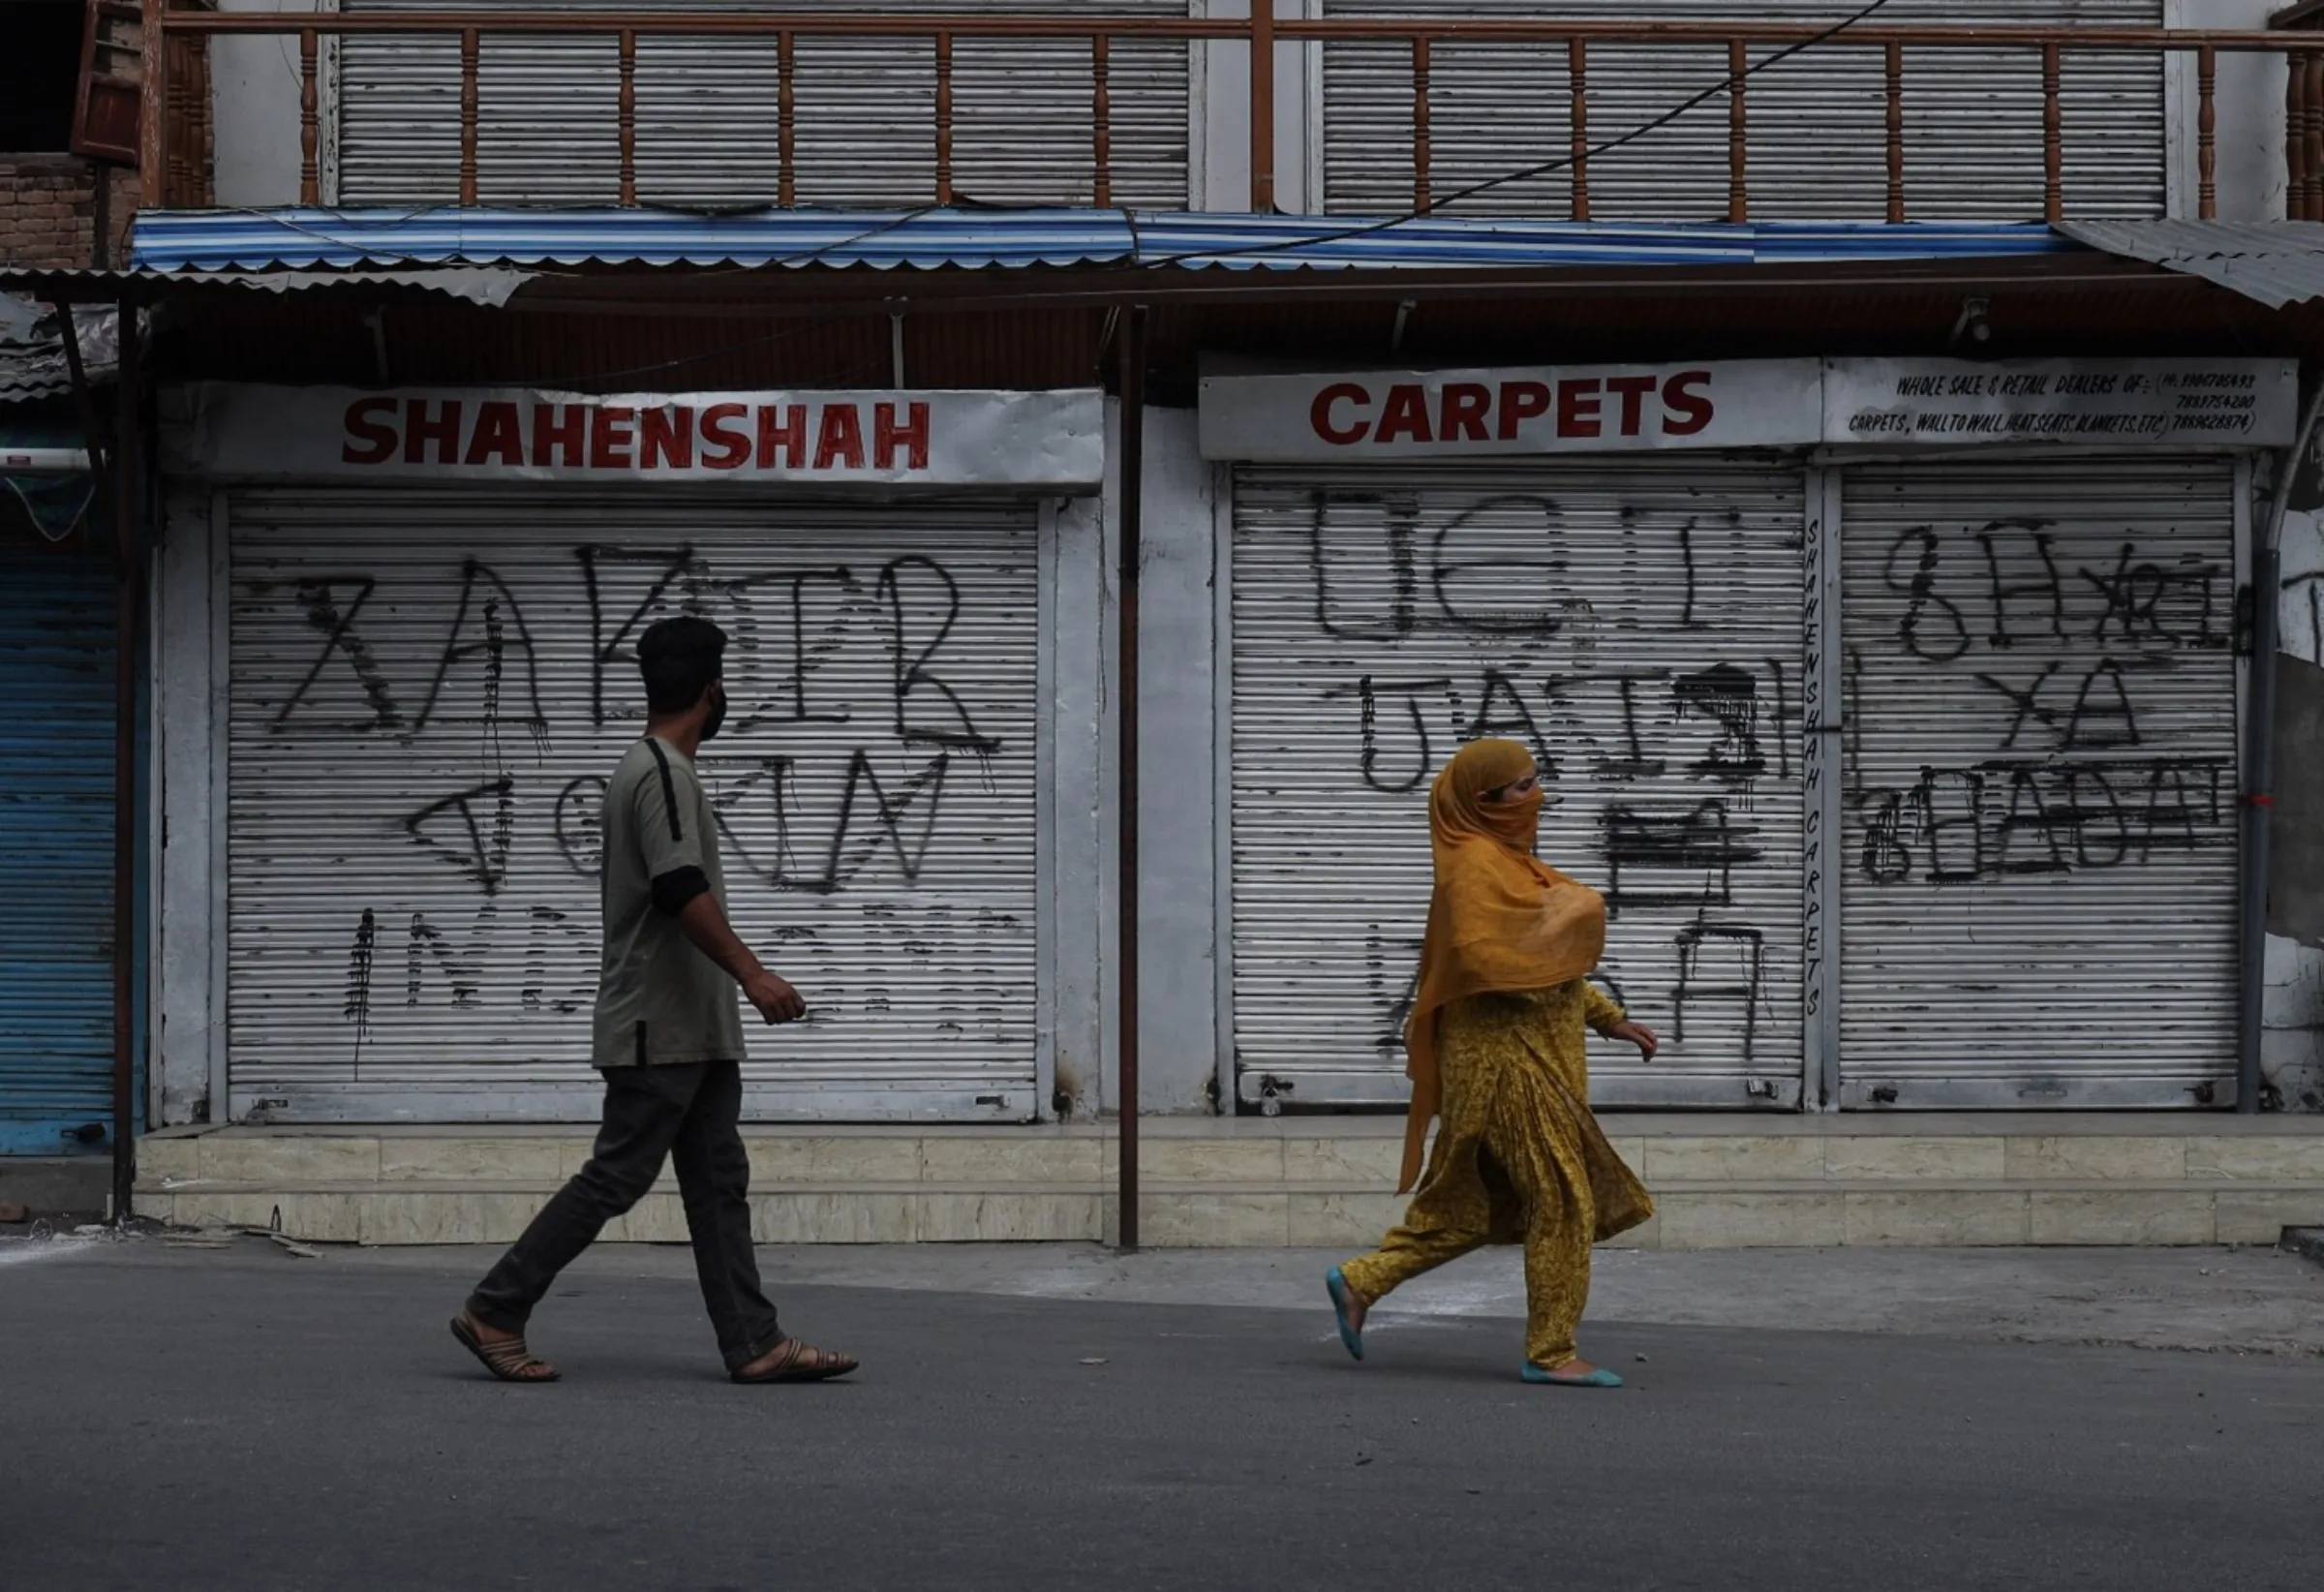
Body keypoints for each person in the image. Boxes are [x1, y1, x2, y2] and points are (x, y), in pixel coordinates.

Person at [450, 615, 857, 1386]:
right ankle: (495, 1308)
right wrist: (755, 973)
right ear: (714, 690)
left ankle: (755, 1341)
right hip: (658, 1025)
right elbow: (678, 887)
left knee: (716, 1183)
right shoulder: (661, 773)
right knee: (617, 1176)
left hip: (692, 1027)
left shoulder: (657, 768)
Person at [1325, 737, 1656, 1388]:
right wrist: (1575, 913)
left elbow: (1545, 959)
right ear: (1484, 803)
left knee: (1477, 1207)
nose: (1538, 797)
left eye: (1536, 782)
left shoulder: (1511, 863)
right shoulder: (1473, 868)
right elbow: (1493, 963)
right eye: (1523, 788)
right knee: (1563, 1199)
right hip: (1506, 1067)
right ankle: (1552, 1352)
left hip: (1536, 1060)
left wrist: (1606, 1016)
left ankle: (1362, 1281)